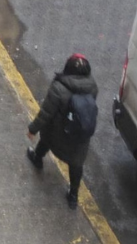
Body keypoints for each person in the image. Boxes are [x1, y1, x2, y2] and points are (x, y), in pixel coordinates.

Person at [27, 52, 98, 209]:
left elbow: (46, 113)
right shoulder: (92, 87)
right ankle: (73, 195)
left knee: (45, 141)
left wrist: (33, 129)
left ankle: (37, 159)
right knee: (76, 165)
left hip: (57, 133)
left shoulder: (58, 88)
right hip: (79, 137)